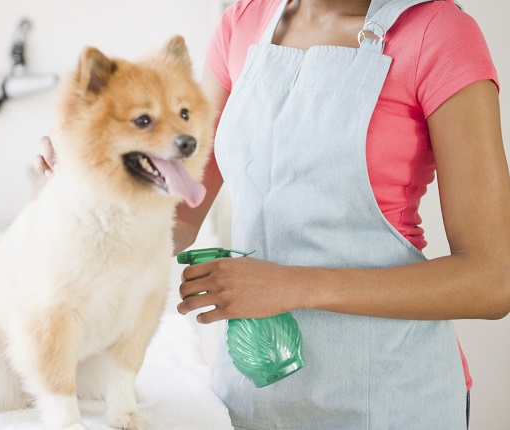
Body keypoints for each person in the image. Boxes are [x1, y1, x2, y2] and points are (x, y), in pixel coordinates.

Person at [36, 0, 510, 428]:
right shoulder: (243, 22)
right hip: (250, 403)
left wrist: (293, 285)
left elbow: (492, 281)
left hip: (388, 400)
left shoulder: (439, 33)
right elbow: (174, 221)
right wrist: (93, 180)